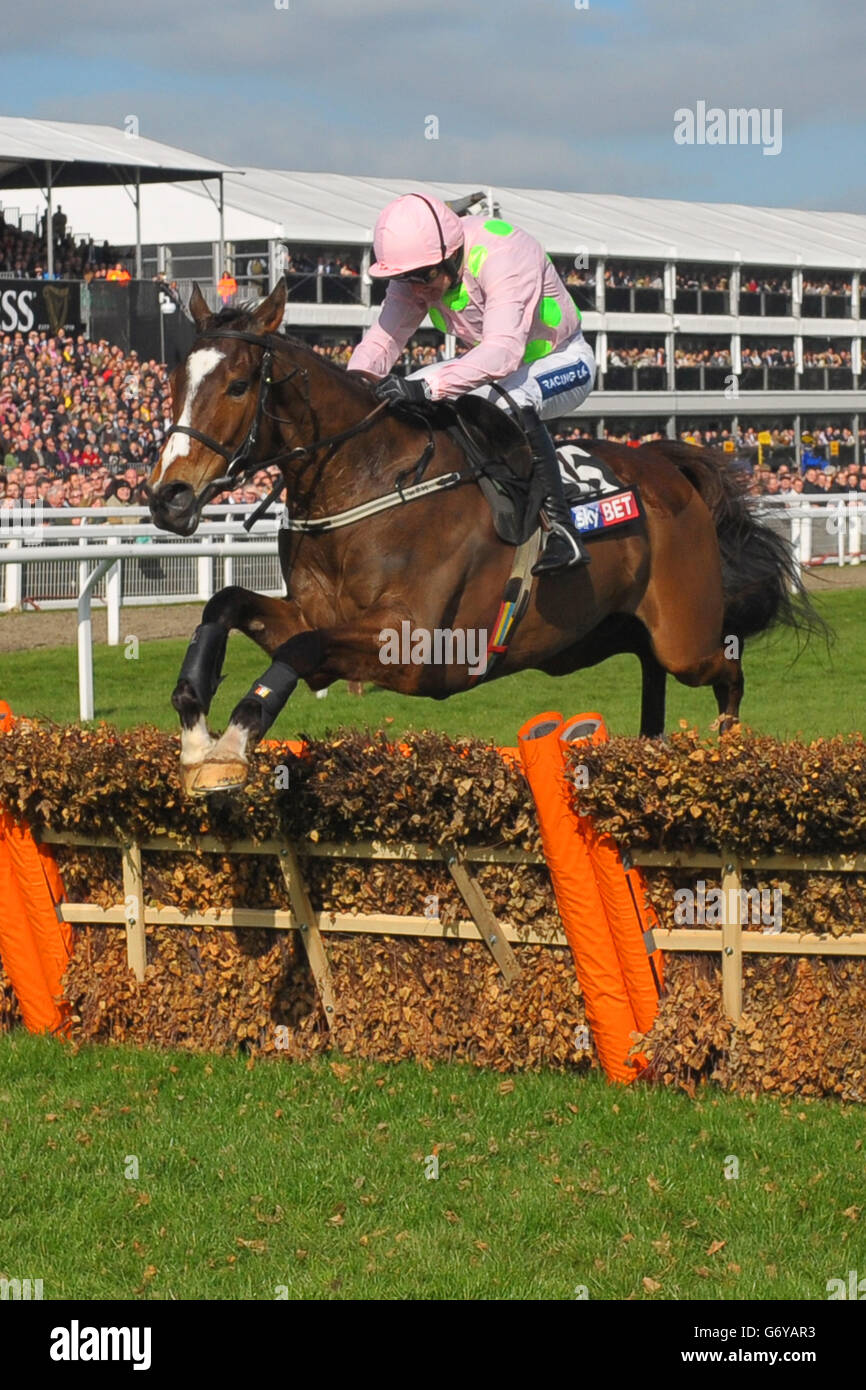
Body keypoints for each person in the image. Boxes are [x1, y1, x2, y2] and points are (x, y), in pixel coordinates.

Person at [347, 193, 596, 573]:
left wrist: (426, 389)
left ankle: (562, 529)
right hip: (491, 367)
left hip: (561, 359)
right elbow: (382, 342)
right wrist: (353, 389)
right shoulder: (420, 270)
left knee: (507, 398)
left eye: (423, 277)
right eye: (402, 279)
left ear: (450, 255)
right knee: (398, 399)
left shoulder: (505, 251)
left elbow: (502, 354)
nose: (415, 289)